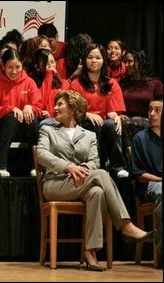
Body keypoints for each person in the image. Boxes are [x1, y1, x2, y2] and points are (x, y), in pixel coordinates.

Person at [37, 90, 155, 272]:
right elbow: (41, 154)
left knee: (97, 192)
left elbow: (94, 161)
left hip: (81, 182)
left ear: (73, 108)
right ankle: (125, 225)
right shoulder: (48, 130)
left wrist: (82, 171)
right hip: (55, 184)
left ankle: (90, 252)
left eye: (60, 104)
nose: (55, 108)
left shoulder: (89, 135)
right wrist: (68, 166)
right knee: (101, 174)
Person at [71, 44, 129, 178]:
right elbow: (73, 110)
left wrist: (116, 117)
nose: (94, 61)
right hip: (83, 123)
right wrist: (87, 114)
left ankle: (117, 167)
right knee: (94, 124)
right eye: (90, 57)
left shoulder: (112, 83)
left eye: (98, 58)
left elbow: (112, 111)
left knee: (112, 124)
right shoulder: (76, 83)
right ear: (84, 61)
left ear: (104, 61)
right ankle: (95, 164)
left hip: (104, 123)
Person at [0, 48, 42, 177]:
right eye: (10, 67)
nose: (14, 71)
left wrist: (30, 107)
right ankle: (2, 165)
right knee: (13, 117)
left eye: (18, 67)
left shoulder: (29, 82)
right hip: (3, 126)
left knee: (31, 118)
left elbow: (39, 108)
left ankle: (35, 166)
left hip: (24, 127)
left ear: (22, 65)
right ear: (2, 65)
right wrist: (10, 109)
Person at [131, 95, 163, 262]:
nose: (151, 114)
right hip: (150, 185)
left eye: (157, 110)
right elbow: (139, 174)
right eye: (150, 110)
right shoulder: (140, 139)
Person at [120, 49, 163, 154]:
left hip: (148, 121)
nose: (126, 65)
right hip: (125, 122)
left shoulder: (155, 84)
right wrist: (119, 114)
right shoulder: (123, 83)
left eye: (130, 61)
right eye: (125, 62)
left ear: (139, 62)